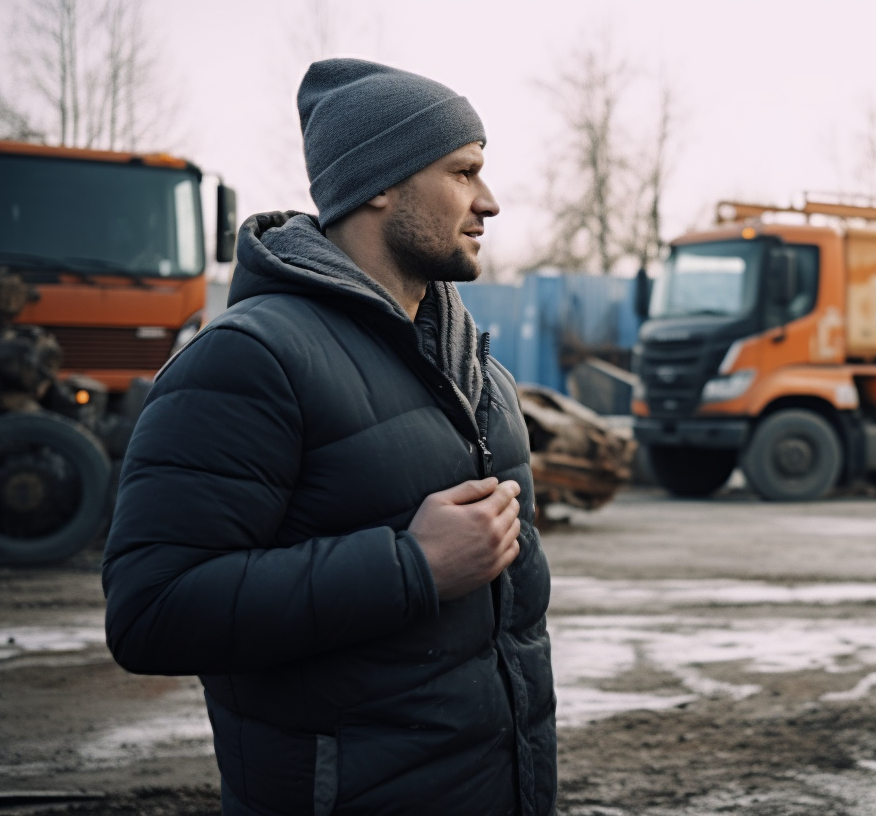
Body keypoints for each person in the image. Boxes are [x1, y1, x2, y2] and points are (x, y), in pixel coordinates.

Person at [102, 59, 555, 816]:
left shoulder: (478, 371)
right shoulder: (250, 360)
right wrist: (412, 566)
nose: (490, 201)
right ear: (380, 182)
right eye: (463, 172)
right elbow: (152, 614)